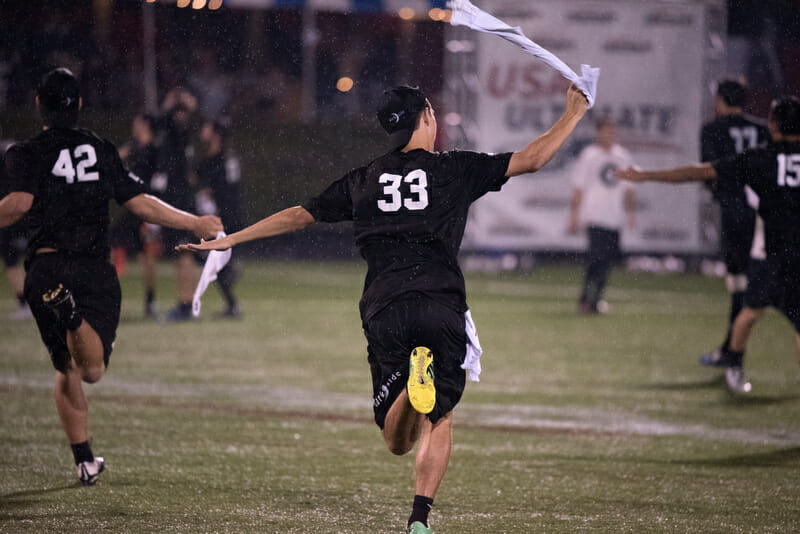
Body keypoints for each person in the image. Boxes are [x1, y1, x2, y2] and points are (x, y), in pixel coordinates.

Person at [178, 84, 589, 533]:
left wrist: (230, 239)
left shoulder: (363, 178)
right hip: (440, 305)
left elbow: (298, 214)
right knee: (442, 416)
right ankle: (419, 520)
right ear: (427, 116)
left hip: (385, 308)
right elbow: (532, 158)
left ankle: (414, 387)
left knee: (395, 441)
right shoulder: (454, 168)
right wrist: (572, 113)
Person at [0, 68, 222, 485]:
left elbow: (16, 205)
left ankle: (84, 460)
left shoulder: (25, 153)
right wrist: (194, 222)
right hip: (92, 269)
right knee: (93, 370)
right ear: (80, 105)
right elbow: (140, 202)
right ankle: (72, 317)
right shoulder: (100, 148)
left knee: (66, 367)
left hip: (46, 268)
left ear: (38, 106)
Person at [617, 96, 800, 395]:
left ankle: (734, 364)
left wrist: (646, 175)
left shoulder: (760, 158)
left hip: (771, 255)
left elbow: (700, 172)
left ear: (774, 125)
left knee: (750, 312)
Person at [698, 79, 770, 365]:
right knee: (764, 283)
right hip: (767, 217)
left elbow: (708, 173)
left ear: (720, 100)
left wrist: (722, 191)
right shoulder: (763, 128)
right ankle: (731, 349)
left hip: (735, 213)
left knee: (741, 286)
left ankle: (732, 352)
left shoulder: (712, 129)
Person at [567, 116, 636, 314]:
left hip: (614, 217)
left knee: (607, 261)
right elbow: (578, 188)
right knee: (595, 259)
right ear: (597, 132)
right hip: (594, 216)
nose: (609, 135)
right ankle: (584, 300)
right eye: (606, 131)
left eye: (612, 131)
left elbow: (629, 188)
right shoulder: (589, 156)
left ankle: (596, 300)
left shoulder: (622, 156)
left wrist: (631, 212)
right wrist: (574, 214)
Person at [154, 87, 201, 321]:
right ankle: (188, 304)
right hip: (184, 198)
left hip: (178, 200)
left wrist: (170, 103)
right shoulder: (185, 133)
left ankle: (185, 305)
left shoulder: (176, 132)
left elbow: (157, 121)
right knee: (186, 253)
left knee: (183, 251)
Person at [112, 112, 162, 317]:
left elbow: (158, 180)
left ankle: (150, 302)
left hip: (146, 209)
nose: (134, 126)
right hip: (132, 208)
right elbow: (113, 157)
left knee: (146, 256)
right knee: (113, 241)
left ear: (145, 125)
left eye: (137, 123)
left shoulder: (154, 151)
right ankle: (109, 292)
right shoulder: (134, 147)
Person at [196, 117, 245, 318]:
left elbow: (228, 191)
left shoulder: (224, 158)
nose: (202, 130)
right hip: (218, 216)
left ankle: (231, 279)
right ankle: (230, 279)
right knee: (209, 259)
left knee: (211, 259)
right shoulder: (214, 158)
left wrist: (211, 197)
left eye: (207, 127)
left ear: (216, 133)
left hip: (224, 218)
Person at [0, 133, 33, 320]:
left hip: (11, 211)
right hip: (28, 210)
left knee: (11, 260)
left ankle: (26, 304)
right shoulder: (15, 148)